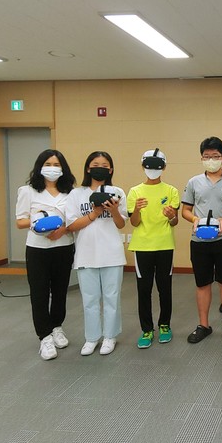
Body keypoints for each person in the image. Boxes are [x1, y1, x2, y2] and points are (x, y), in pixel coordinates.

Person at [182, 136, 222, 344]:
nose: (211, 160)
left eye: (215, 156)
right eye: (207, 156)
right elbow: (185, 210)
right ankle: (204, 325)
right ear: (202, 158)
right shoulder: (193, 182)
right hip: (199, 241)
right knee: (202, 284)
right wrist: (194, 219)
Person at [16, 149, 76, 360]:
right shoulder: (28, 191)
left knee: (60, 291)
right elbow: (20, 221)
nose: (52, 168)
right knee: (39, 293)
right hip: (37, 249)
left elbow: (74, 219)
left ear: (63, 168)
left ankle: (57, 326)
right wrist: (40, 223)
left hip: (64, 246)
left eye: (56, 165)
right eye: (48, 164)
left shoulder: (70, 193)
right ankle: (45, 336)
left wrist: (63, 229)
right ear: (40, 167)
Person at [66, 151, 127, 356]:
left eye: (104, 165)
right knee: (89, 299)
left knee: (112, 297)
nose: (100, 168)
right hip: (86, 253)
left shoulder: (117, 191)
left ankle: (110, 336)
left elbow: (121, 224)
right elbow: (72, 225)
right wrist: (95, 213)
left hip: (112, 253)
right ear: (88, 168)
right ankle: (91, 338)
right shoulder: (76, 194)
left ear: (111, 169)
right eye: (95, 164)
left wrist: (114, 210)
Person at [126, 149, 180, 349]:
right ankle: (147, 329)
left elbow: (174, 222)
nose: (153, 169)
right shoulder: (135, 191)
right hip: (142, 246)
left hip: (164, 245)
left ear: (164, 167)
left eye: (157, 166)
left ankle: (165, 325)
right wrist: (137, 209)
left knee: (165, 288)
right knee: (144, 289)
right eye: (149, 166)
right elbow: (134, 222)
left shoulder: (171, 191)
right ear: (143, 166)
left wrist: (171, 216)